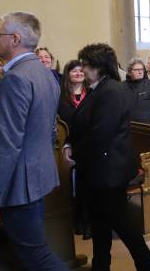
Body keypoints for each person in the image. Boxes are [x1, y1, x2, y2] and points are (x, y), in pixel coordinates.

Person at [0, 12, 68, 270]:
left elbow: (7, 145)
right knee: (32, 253)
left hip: (19, 183)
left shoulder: (16, 78)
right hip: (36, 176)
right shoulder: (44, 72)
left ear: (14, 39)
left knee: (36, 256)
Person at [65, 43, 150, 271]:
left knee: (122, 224)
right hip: (98, 169)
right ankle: (101, 265)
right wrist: (69, 143)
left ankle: (147, 265)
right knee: (100, 223)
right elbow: (82, 122)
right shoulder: (98, 89)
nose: (83, 69)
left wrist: (74, 153)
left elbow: (101, 133)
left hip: (109, 170)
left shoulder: (111, 91)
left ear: (99, 67)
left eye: (86, 64)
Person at [57, 59, 91, 240]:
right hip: (67, 148)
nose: (78, 73)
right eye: (74, 71)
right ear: (67, 74)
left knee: (88, 186)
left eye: (81, 70)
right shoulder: (60, 98)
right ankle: (76, 221)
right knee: (72, 187)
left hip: (88, 147)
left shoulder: (91, 94)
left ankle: (88, 223)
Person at [124, 58, 150, 124]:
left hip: (146, 126)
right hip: (127, 126)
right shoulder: (122, 86)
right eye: (136, 70)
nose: (140, 72)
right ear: (129, 72)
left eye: (141, 69)